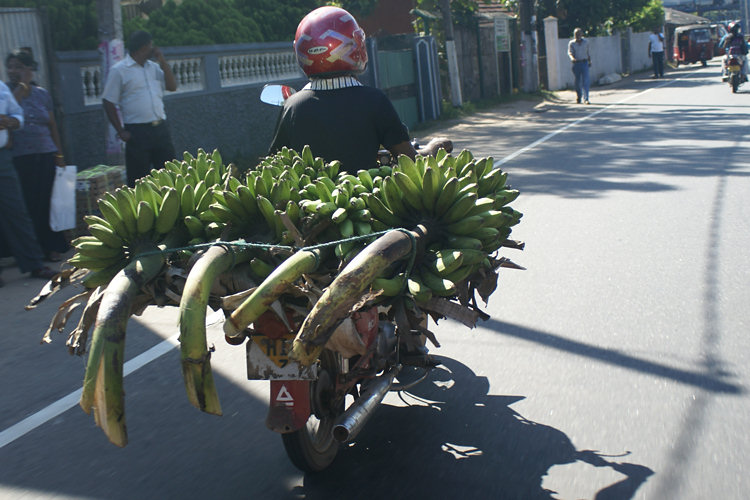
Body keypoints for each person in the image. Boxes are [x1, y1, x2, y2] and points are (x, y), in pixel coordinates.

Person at [268, 6, 449, 173]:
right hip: (365, 201)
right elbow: (409, 160)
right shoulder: (374, 101)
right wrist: (433, 148)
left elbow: (275, 163)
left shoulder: (292, 106)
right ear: (355, 46)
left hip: (306, 204)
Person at [6, 48, 69, 262]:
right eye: (11, 67)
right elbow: (8, 113)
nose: (13, 71)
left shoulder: (42, 94)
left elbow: (52, 125)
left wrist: (59, 155)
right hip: (19, 157)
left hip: (45, 154)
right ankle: (31, 252)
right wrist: (21, 87)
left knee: (48, 204)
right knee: (27, 206)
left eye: (19, 67)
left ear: (30, 69)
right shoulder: (6, 93)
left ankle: (52, 247)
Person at [101, 30, 178, 186]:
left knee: (169, 176)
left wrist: (162, 61)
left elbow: (172, 86)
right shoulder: (120, 70)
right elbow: (108, 101)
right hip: (137, 131)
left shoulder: (154, 67)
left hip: (160, 128)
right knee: (139, 179)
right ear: (143, 48)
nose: (153, 49)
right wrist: (120, 131)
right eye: (151, 46)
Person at [0, 80, 57, 286]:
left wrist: (10, 122)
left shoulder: (1, 88)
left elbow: (17, 116)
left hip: (3, 158)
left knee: (17, 211)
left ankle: (34, 264)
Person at [567, 28, 591, 104]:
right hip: (576, 63)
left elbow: (588, 52)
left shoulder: (586, 42)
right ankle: (579, 96)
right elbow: (570, 53)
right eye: (576, 34)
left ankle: (586, 98)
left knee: (585, 81)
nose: (577, 35)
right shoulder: (572, 43)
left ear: (581, 34)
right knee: (577, 81)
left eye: (579, 34)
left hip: (584, 62)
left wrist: (590, 61)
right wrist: (572, 58)